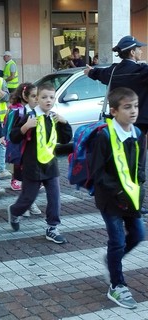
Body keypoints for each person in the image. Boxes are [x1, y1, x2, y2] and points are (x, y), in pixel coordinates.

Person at [90, 87, 146, 309]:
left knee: (139, 235)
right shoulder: (104, 136)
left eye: (135, 106)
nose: (133, 111)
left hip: (131, 197)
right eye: (127, 107)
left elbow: (141, 163)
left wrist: (140, 182)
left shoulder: (138, 134)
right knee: (117, 241)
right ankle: (117, 285)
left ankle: (112, 261)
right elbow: (98, 173)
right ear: (113, 111)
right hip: (110, 199)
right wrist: (118, 192)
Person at [7, 83, 72, 244]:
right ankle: (15, 211)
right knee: (28, 198)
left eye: (51, 97)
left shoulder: (54, 118)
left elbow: (65, 139)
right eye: (43, 97)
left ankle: (52, 227)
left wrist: (64, 123)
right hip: (32, 165)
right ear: (37, 99)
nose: (48, 101)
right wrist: (25, 127)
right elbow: (14, 136)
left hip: (50, 164)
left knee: (55, 197)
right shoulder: (29, 116)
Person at [84, 35, 148, 135]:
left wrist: (90, 72)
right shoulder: (142, 70)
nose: (141, 51)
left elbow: (99, 73)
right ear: (132, 52)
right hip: (138, 121)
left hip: (118, 120)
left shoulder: (113, 71)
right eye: (139, 49)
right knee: (136, 148)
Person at [4, 82, 44, 216]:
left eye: (38, 96)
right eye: (34, 96)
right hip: (21, 151)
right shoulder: (19, 111)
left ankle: (27, 204)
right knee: (26, 178)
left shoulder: (40, 112)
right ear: (25, 97)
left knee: (33, 179)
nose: (37, 99)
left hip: (36, 151)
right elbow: (11, 130)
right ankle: (27, 205)